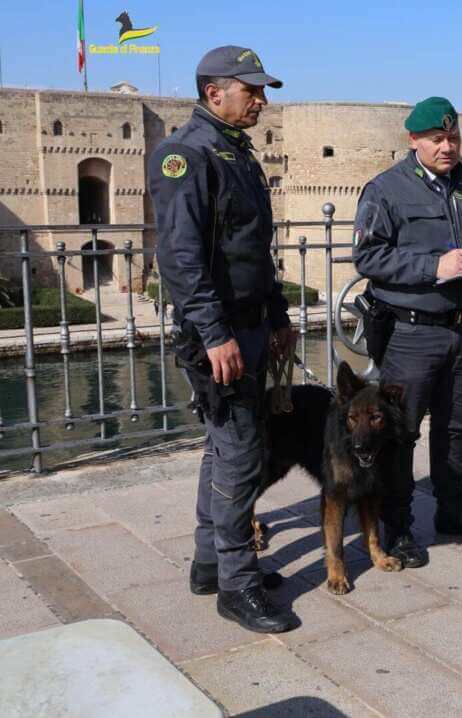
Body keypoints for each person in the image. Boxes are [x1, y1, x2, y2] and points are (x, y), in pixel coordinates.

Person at [149, 46, 297, 633]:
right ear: (215, 93)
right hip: (221, 333)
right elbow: (181, 258)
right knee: (240, 454)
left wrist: (279, 314)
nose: (262, 101)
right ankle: (237, 586)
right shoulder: (185, 155)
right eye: (252, 91)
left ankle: (210, 563)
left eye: (263, 91)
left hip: (250, 323)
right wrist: (215, 334)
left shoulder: (235, 153)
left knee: (223, 447)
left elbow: (252, 250)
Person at [353, 97, 462, 569]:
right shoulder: (386, 189)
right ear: (414, 141)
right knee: (402, 433)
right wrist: (432, 266)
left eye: (453, 138)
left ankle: (454, 509)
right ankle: (398, 525)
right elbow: (368, 257)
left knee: (454, 427)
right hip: (411, 333)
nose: (447, 147)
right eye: (437, 139)